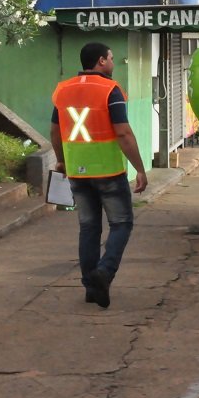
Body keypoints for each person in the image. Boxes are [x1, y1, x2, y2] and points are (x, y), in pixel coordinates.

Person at [50, 42, 148, 309]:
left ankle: (91, 288)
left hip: (77, 172)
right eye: (112, 58)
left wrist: (61, 160)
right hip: (107, 171)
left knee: (89, 228)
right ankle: (104, 273)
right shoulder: (110, 90)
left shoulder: (63, 90)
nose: (114, 63)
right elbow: (123, 133)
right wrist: (139, 168)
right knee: (122, 224)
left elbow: (55, 130)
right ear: (101, 61)